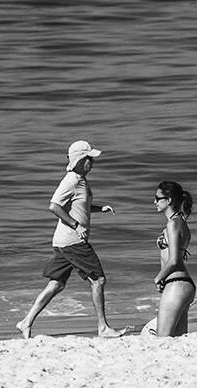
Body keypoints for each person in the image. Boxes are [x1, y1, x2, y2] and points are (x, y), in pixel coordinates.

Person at [17, 140, 123, 339]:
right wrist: (76, 225)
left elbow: (78, 206)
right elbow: (54, 206)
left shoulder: (81, 180)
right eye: (90, 158)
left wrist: (100, 208)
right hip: (73, 241)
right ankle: (103, 328)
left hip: (63, 242)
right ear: (80, 160)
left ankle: (26, 322)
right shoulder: (71, 181)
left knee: (56, 284)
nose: (93, 162)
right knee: (98, 280)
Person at [152, 180, 196, 337]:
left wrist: (158, 278)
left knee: (163, 339)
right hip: (182, 285)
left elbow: (174, 260)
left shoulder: (173, 224)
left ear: (168, 200)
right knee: (177, 340)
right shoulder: (181, 222)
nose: (154, 202)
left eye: (158, 198)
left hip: (176, 285)